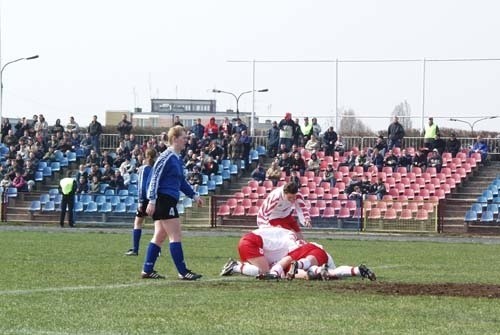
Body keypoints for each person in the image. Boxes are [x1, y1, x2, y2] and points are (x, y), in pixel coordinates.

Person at [141, 126, 203, 280]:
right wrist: (152, 200)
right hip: (164, 199)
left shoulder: (176, 158)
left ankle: (147, 270)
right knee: (175, 235)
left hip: (167, 199)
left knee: (160, 235)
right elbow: (155, 178)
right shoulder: (166, 157)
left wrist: (194, 196)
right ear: (175, 139)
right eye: (183, 137)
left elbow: (180, 181)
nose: (186, 141)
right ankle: (183, 271)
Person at [125, 148, 157, 256]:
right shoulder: (155, 168)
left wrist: (140, 201)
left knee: (138, 223)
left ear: (146, 156)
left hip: (145, 199)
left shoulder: (144, 169)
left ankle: (135, 249)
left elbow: (141, 186)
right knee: (158, 224)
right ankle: (157, 250)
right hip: (154, 199)